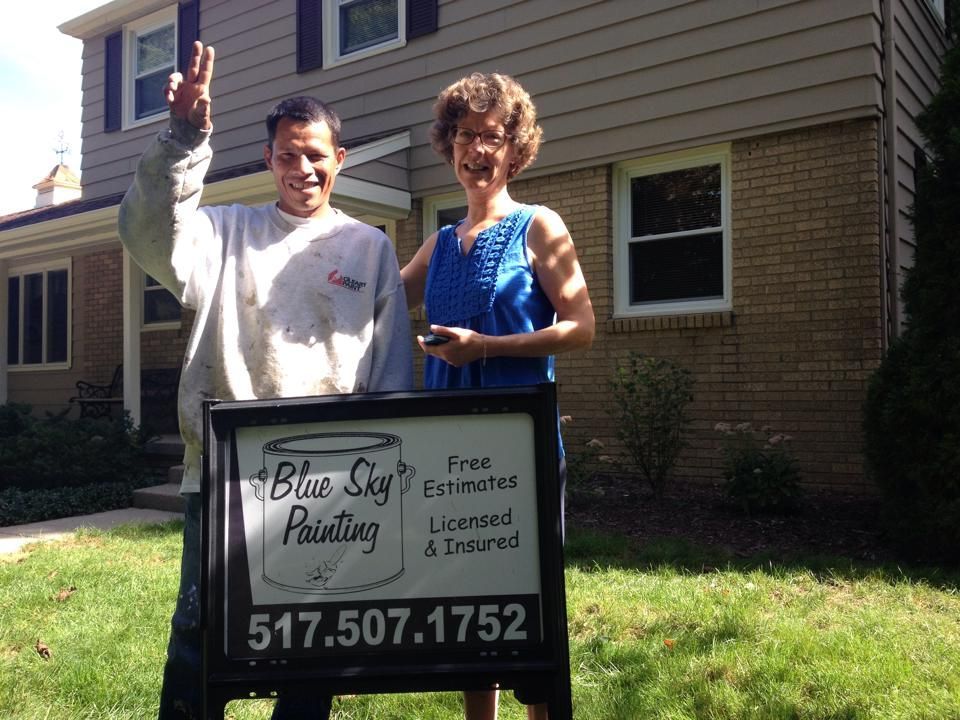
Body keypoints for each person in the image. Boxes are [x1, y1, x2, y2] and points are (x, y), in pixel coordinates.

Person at [118, 41, 413, 719]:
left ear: (340, 158)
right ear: (268, 160)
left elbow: (391, 369)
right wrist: (182, 138)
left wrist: (382, 475)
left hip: (332, 483)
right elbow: (145, 232)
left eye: (316, 155)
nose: (302, 169)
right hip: (224, 476)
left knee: (313, 639)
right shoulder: (223, 235)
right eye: (288, 154)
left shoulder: (369, 248)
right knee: (201, 634)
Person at [401, 72, 595, 720]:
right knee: (467, 608)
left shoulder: (540, 227)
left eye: (491, 135)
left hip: (522, 453)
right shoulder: (436, 246)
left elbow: (581, 326)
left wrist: (486, 347)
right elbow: (366, 301)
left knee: (529, 606)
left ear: (515, 148)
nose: (477, 149)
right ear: (448, 146)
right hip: (448, 457)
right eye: (465, 135)